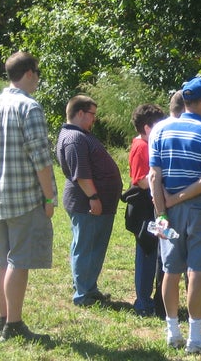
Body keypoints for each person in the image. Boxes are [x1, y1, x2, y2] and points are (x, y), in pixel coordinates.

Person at [0, 51, 56, 342]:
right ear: (28, 73)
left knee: (3, 260)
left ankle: (3, 319)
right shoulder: (30, 107)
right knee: (19, 262)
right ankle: (13, 325)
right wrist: (49, 199)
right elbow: (41, 159)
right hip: (25, 198)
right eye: (37, 72)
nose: (38, 79)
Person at [149, 76, 201, 354]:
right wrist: (177, 197)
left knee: (170, 270)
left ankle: (172, 331)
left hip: (167, 212)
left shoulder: (159, 130)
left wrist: (162, 210)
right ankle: (195, 337)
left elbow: (154, 175)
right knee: (197, 272)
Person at [56, 95, 123, 307]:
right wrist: (94, 198)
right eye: (92, 114)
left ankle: (89, 288)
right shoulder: (75, 139)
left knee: (93, 247)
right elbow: (82, 175)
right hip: (87, 204)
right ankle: (83, 295)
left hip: (94, 203)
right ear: (80, 113)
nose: (94, 118)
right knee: (85, 248)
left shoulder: (81, 135)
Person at [124, 103, 167, 317]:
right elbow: (141, 181)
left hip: (152, 206)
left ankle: (151, 299)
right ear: (148, 128)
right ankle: (142, 302)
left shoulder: (146, 144)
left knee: (155, 251)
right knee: (147, 252)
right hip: (145, 210)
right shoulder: (142, 147)